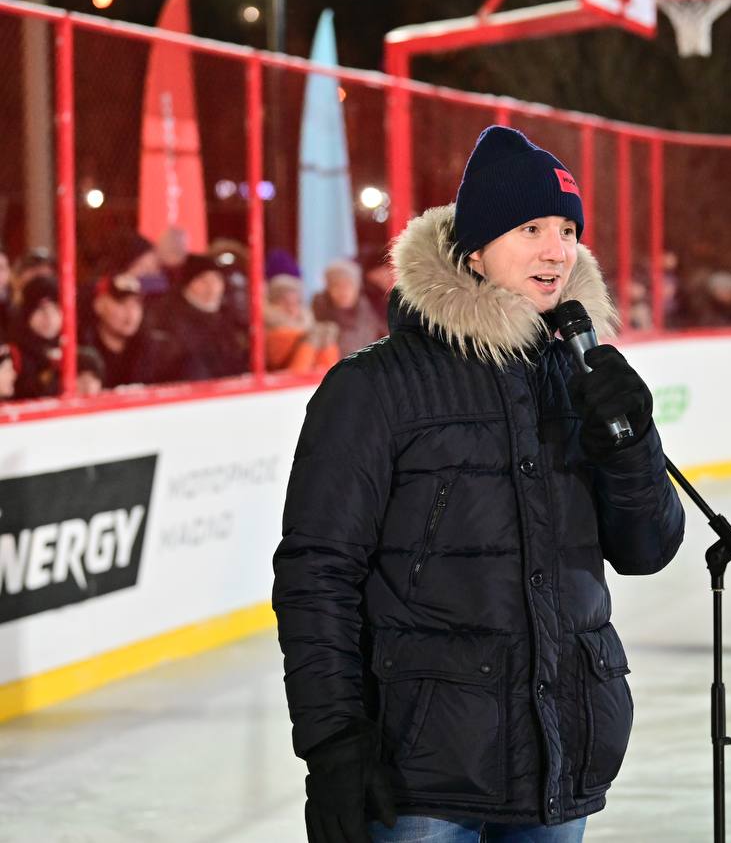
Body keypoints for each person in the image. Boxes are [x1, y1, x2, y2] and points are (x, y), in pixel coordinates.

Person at [272, 125, 686, 843]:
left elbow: (649, 547)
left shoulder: (576, 376)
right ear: (473, 250)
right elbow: (318, 574)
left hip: (559, 756)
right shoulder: (375, 389)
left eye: (566, 229)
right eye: (530, 228)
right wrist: (333, 743)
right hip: (424, 771)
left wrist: (631, 439)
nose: (557, 250)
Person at [154, 255, 249, 381]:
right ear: (189, 283)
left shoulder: (228, 316)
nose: (212, 287)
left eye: (216, 279)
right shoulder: (170, 319)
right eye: (204, 280)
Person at [81, 272, 183, 388]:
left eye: (136, 304)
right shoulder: (81, 352)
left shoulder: (158, 350)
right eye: (122, 303)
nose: (131, 313)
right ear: (99, 305)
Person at [264, 273, 340, 372]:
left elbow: (327, 370)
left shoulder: (309, 326)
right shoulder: (270, 330)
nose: (291, 308)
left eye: (297, 302)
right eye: (284, 302)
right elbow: (296, 372)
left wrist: (326, 340)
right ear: (273, 303)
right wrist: (309, 340)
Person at [312, 258, 387, 357]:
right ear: (328, 290)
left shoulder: (371, 313)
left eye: (348, 285)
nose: (343, 291)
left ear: (357, 288)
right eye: (336, 285)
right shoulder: (316, 317)